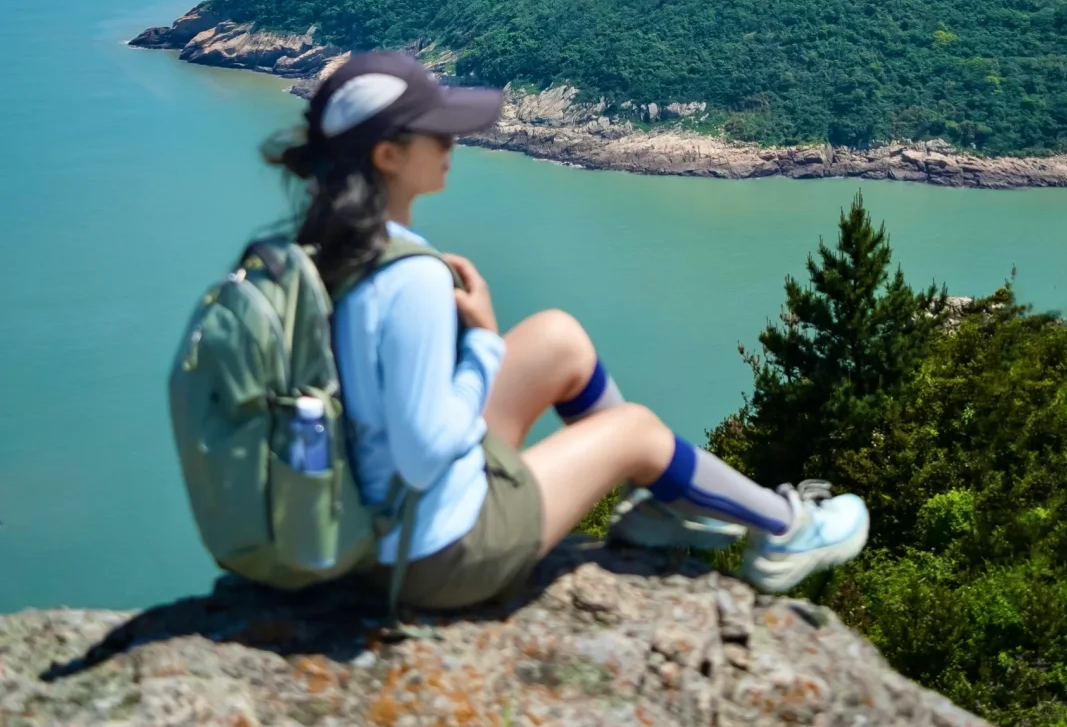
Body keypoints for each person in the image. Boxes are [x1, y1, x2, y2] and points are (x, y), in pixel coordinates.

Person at [265, 50, 869, 611]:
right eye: (436, 131)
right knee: (633, 430)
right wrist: (479, 345)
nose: (453, 141)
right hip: (438, 554)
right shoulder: (410, 277)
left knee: (557, 337)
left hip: (373, 519)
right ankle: (787, 530)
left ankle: (667, 503)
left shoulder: (323, 251)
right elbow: (423, 455)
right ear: (387, 155)